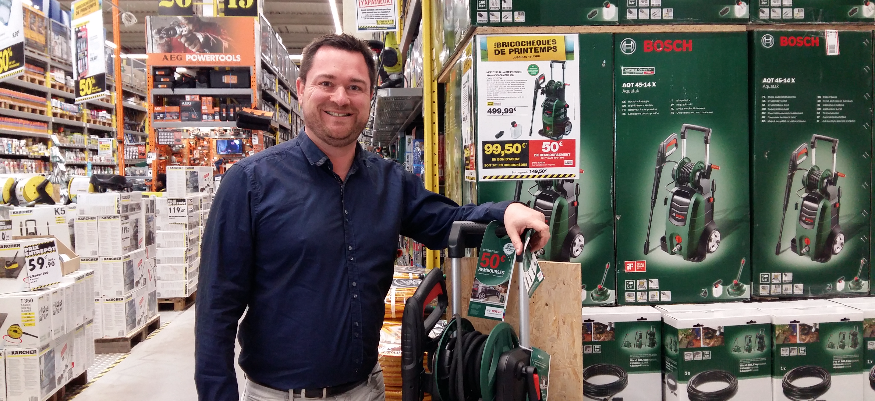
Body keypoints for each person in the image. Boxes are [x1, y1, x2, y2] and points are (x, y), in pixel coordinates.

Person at [194, 33, 549, 401]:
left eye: (355, 87)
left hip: (367, 389)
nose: (340, 98)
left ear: (369, 97)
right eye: (326, 83)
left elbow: (446, 221)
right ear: (301, 89)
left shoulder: (389, 182)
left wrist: (505, 210)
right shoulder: (250, 183)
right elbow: (216, 309)